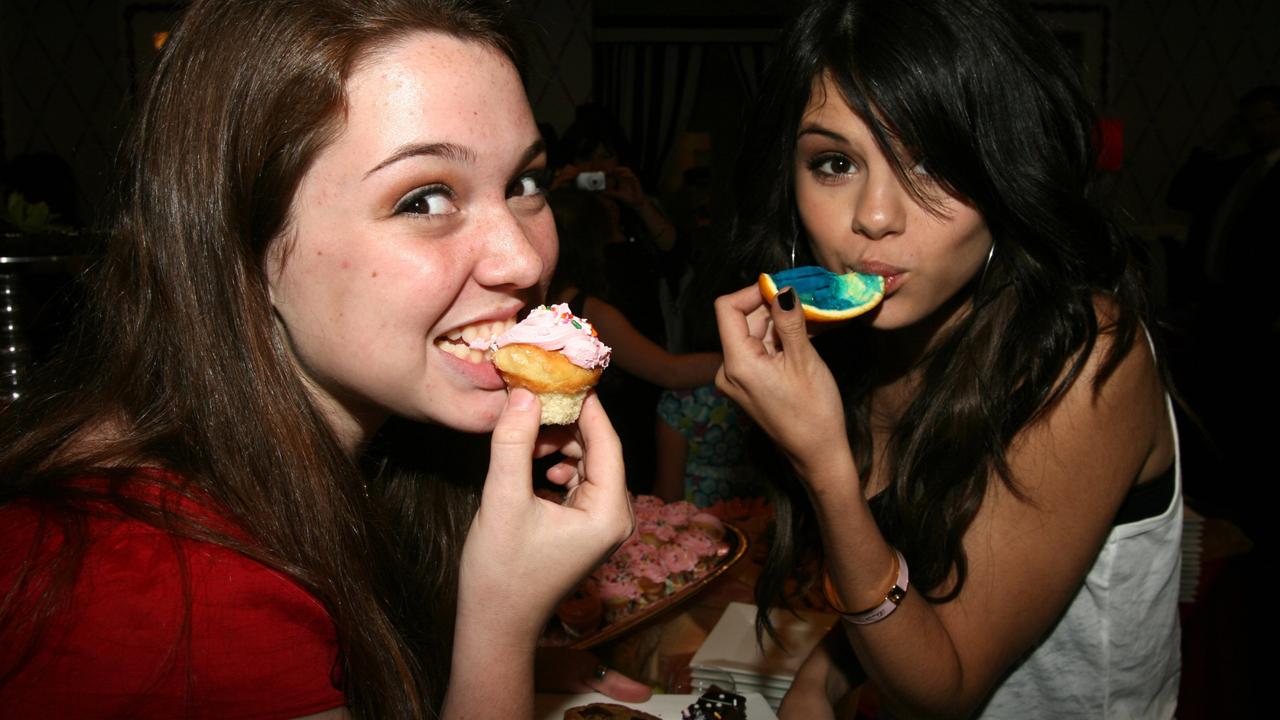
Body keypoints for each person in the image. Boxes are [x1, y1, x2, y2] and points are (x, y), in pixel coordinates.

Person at [0, 1, 647, 718]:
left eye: (524, 185)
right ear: (246, 249)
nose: (523, 260)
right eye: (425, 198)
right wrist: (498, 634)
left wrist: (452, 674)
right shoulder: (159, 591)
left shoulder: (376, 466)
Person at [713, 1, 1182, 718]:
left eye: (928, 161)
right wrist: (824, 676)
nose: (874, 216)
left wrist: (826, 467)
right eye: (835, 163)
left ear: (1004, 168)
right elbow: (926, 572)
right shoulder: (858, 340)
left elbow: (947, 689)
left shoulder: (1087, 358)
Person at [544, 187, 721, 494]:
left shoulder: (529, 303)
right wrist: (746, 355)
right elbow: (671, 372)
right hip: (605, 438)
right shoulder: (588, 313)